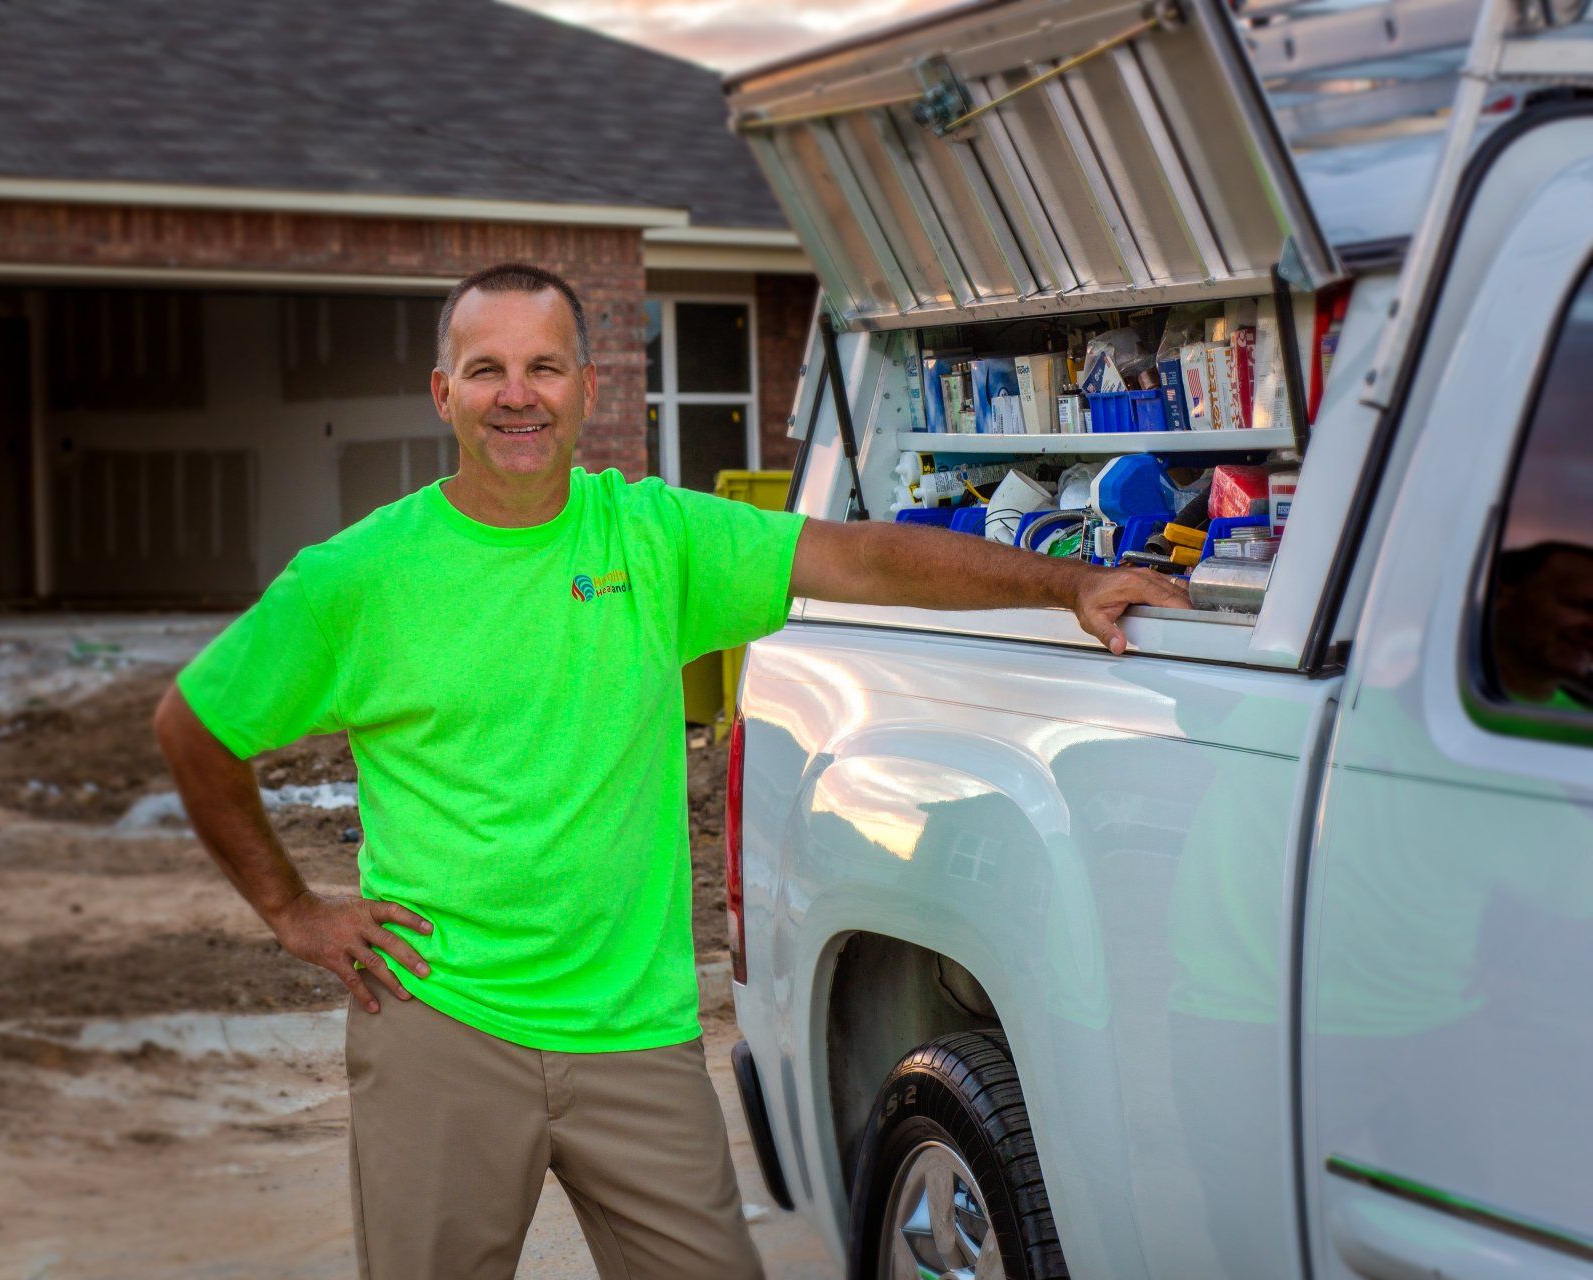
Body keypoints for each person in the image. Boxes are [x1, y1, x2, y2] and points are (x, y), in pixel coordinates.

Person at [152, 262, 1187, 1279]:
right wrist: (293, 910)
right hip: (443, 1027)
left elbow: (861, 557)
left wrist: (1070, 583)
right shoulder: (360, 579)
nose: (518, 394)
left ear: (589, 390)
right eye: (487, 369)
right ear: (444, 391)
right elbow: (194, 725)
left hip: (633, 1034)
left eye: (546, 366)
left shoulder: (653, 538)